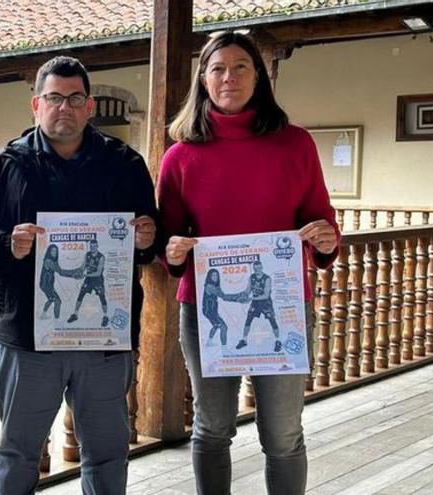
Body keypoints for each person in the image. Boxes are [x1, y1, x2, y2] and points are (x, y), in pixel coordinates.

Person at [158, 31, 340, 495]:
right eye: (218, 68)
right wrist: (173, 251)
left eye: (241, 67)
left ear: (258, 76)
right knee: (212, 427)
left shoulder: (296, 144)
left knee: (282, 434)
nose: (229, 77)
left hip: (283, 304)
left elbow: (320, 219)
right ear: (203, 80)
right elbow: (168, 237)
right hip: (207, 308)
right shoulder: (180, 156)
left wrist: (324, 237)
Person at [0, 55, 160, 495]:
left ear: (90, 107)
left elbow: (150, 241)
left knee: (108, 452)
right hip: (26, 340)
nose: (65, 108)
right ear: (36, 105)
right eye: (54, 98)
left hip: (104, 339)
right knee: (18, 454)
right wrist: (6, 244)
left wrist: (148, 236)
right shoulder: (5, 166)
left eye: (75, 98)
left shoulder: (125, 164)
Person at [236, 260, 280, 352]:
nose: (257, 270)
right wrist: (242, 295)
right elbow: (248, 290)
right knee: (248, 320)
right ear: (254, 269)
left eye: (259, 268)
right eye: (255, 269)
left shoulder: (267, 278)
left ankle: (278, 340)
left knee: (272, 321)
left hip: (265, 303)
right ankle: (244, 340)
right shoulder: (251, 277)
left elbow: (266, 295)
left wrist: (251, 299)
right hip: (255, 302)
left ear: (261, 267)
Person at [66, 238, 108, 326]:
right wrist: (78, 273)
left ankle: (105, 316)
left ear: (97, 246)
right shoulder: (87, 254)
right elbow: (83, 266)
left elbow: (98, 273)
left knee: (102, 297)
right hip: (88, 279)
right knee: (81, 295)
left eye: (94, 246)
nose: (92, 248)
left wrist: (84, 275)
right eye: (91, 246)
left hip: (97, 280)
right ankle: (75, 314)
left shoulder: (101, 257)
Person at [201, 268, 243, 347]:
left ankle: (209, 342)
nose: (215, 277)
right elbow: (224, 297)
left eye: (216, 275)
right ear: (209, 277)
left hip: (211, 310)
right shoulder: (209, 286)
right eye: (212, 275)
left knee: (216, 325)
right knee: (224, 328)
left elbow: (224, 297)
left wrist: (238, 297)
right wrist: (239, 297)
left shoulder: (215, 286)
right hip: (209, 311)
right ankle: (225, 350)